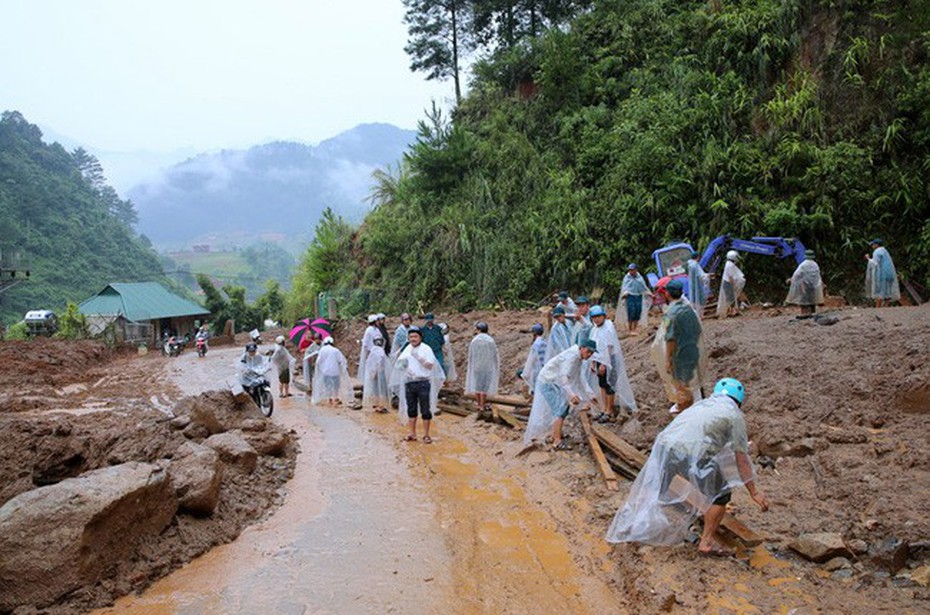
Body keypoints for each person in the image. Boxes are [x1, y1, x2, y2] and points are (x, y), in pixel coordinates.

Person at [606, 378, 770, 556]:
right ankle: (706, 542)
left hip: (665, 446)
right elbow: (741, 458)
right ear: (739, 401)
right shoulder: (734, 414)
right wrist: (754, 492)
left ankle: (633, 522)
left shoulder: (703, 404)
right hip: (691, 453)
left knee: (658, 484)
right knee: (721, 496)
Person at [523, 340, 600, 450]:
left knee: (563, 408)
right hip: (548, 381)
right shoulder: (572, 357)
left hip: (554, 381)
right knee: (560, 408)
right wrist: (572, 395)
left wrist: (590, 395)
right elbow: (563, 378)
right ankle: (557, 440)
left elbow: (579, 378)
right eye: (588, 352)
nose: (589, 355)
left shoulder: (578, 358)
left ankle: (555, 434)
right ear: (582, 348)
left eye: (591, 353)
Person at [651, 279, 704, 413]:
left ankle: (687, 407)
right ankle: (697, 404)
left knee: (683, 381)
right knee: (693, 379)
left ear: (667, 293)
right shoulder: (687, 308)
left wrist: (668, 359)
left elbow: (670, 338)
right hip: (691, 349)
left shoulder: (672, 312)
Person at [390, 326, 445, 443]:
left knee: (425, 409)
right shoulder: (407, 349)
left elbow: (430, 365)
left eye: (415, 336)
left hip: (423, 382)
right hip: (410, 382)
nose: (413, 339)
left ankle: (426, 434)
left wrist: (418, 357)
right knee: (411, 409)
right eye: (410, 337)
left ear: (420, 337)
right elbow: (399, 365)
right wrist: (405, 370)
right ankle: (412, 433)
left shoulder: (426, 349)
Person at [588, 305, 637, 421]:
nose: (597, 319)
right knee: (602, 384)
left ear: (604, 316)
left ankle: (610, 411)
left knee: (610, 384)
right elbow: (595, 346)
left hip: (610, 359)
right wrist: (593, 362)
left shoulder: (608, 327)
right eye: (594, 317)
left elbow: (609, 347)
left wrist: (605, 363)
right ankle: (604, 409)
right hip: (600, 359)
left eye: (599, 316)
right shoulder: (595, 329)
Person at [464, 322, 500, 411]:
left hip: (477, 366)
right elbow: (495, 354)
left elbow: (471, 355)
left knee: (477, 386)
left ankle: (479, 404)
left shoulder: (474, 340)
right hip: (487, 366)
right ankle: (482, 405)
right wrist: (495, 365)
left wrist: (471, 364)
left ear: (479, 329)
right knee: (485, 387)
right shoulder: (490, 340)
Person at [312, 337, 354, 406]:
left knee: (328, 386)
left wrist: (321, 368)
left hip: (326, 372)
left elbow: (318, 362)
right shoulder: (336, 350)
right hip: (335, 372)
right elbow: (342, 360)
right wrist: (342, 368)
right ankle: (335, 398)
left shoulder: (322, 350)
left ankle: (329, 399)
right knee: (336, 386)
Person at [618, 264, 653, 335]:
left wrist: (650, 294)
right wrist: (625, 293)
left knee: (638, 311)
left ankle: (635, 328)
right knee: (631, 312)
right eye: (630, 270)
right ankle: (630, 329)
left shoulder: (640, 278)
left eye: (633, 270)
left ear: (636, 270)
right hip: (630, 296)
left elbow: (643, 287)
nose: (631, 271)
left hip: (638, 296)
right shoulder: (627, 278)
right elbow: (625, 287)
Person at [786, 250, 824, 315]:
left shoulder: (803, 265)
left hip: (804, 286)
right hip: (813, 286)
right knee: (812, 300)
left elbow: (797, 274)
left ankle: (804, 313)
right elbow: (817, 276)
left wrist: (791, 279)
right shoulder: (815, 265)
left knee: (803, 300)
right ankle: (813, 312)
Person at [864, 239, 900, 307]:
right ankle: (886, 307)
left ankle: (878, 308)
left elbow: (875, 263)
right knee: (887, 291)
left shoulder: (877, 252)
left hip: (881, 274)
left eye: (873, 244)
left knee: (879, 291)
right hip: (889, 274)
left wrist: (868, 258)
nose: (872, 246)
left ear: (877, 245)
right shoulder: (884, 250)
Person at [362, 337, 390, 413]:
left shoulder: (374, 351)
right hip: (380, 373)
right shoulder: (381, 351)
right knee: (380, 390)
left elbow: (376, 363)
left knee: (377, 390)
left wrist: (373, 372)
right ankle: (379, 404)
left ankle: (378, 404)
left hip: (377, 373)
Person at [716, 250, 746, 318]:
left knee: (730, 298)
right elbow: (730, 277)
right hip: (728, 284)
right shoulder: (730, 265)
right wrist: (734, 284)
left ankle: (732, 311)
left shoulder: (729, 264)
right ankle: (731, 312)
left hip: (727, 283)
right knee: (730, 299)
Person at [520, 323, 547, 394]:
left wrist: (525, 374)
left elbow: (530, 361)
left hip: (537, 371)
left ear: (535, 333)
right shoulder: (545, 343)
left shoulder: (536, 345)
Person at [686, 250, 710, 319]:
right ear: (698, 257)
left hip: (692, 284)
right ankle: (700, 314)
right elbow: (700, 275)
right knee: (700, 298)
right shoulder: (695, 265)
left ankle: (695, 313)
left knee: (693, 299)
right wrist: (707, 276)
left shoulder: (689, 264)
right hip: (697, 284)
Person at [357, 314, 380, 380]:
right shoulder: (369, 330)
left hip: (376, 353)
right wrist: (367, 354)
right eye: (377, 321)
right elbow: (366, 343)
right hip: (371, 353)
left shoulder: (377, 330)